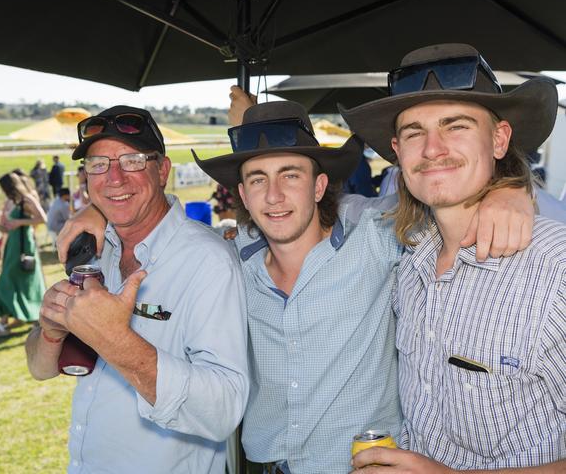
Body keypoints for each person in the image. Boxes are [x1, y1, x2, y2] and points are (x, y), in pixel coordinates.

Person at [56, 99, 536, 473]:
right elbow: (151, 208)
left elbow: (447, 191)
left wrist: (510, 188)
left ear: (320, 186)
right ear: (241, 194)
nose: (275, 196)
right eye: (258, 179)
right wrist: (98, 208)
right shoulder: (231, 259)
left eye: (291, 175)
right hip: (261, 467)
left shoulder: (374, 236)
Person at [340, 43, 566, 473]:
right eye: (413, 133)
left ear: (500, 138)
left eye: (455, 126)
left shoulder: (555, 272)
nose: (432, 149)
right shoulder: (410, 258)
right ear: (396, 150)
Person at [25, 105, 249, 473]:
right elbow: (40, 369)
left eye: (131, 161)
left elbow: (223, 410)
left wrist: (117, 340)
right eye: (98, 164)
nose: (114, 178)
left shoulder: (208, 261)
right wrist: (50, 332)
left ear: (162, 170)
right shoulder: (93, 250)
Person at [0, 172, 47, 337]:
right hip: (12, 244)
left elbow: (42, 219)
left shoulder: (27, 200)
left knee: (11, 282)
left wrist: (20, 222)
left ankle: (4, 324)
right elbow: (7, 228)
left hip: (24, 246)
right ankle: (27, 318)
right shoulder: (10, 202)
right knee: (14, 282)